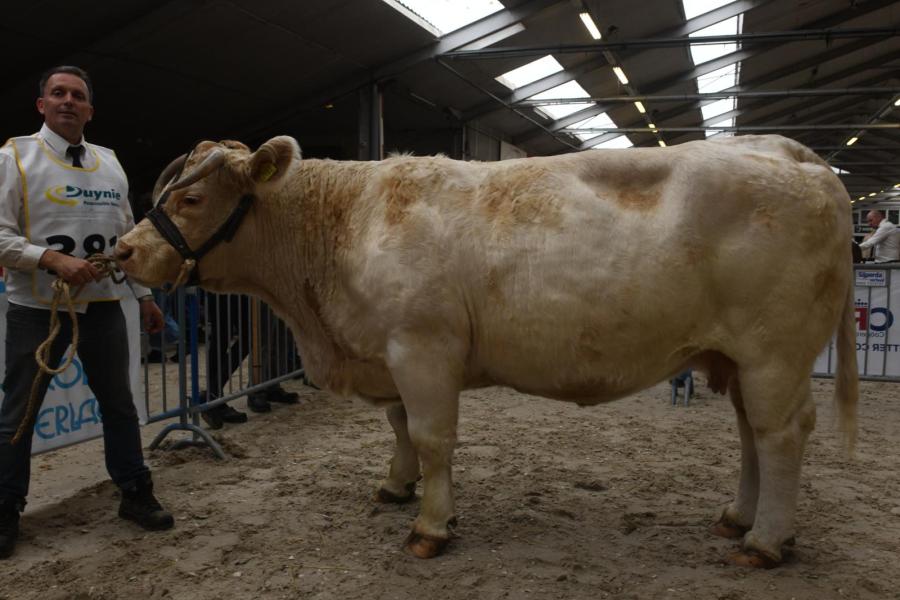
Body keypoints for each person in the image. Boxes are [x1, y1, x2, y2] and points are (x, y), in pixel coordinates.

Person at [0, 66, 174, 559]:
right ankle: (5, 507)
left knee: (119, 405)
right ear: (42, 105)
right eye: (58, 93)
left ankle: (135, 494)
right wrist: (51, 259)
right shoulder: (14, 156)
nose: (68, 101)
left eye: (78, 95)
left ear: (90, 110)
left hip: (101, 309)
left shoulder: (109, 163)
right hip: (37, 309)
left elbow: (127, 241)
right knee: (19, 412)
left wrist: (142, 297)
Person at [200, 292, 300, 429]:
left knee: (226, 335)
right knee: (231, 335)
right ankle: (213, 394)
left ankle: (213, 395)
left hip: (230, 285)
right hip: (227, 283)